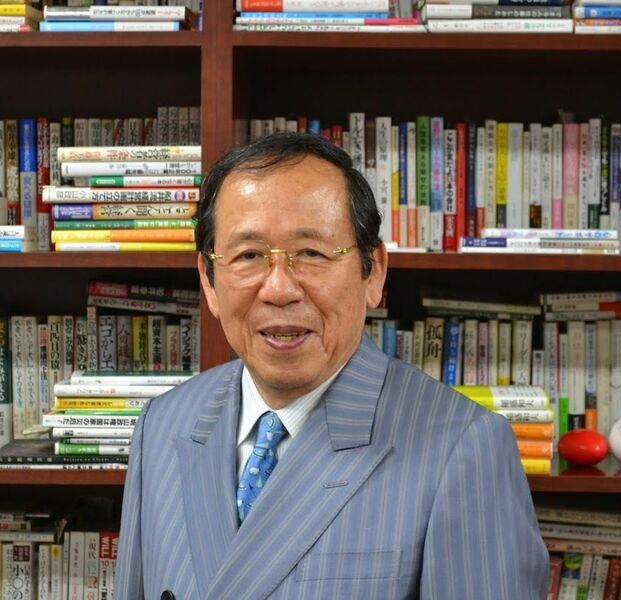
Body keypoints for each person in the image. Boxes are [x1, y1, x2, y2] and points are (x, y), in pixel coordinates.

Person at [115, 133, 549, 599]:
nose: (279, 289)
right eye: (248, 256)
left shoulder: (463, 448)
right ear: (209, 281)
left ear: (373, 272)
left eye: (312, 254)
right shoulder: (162, 424)